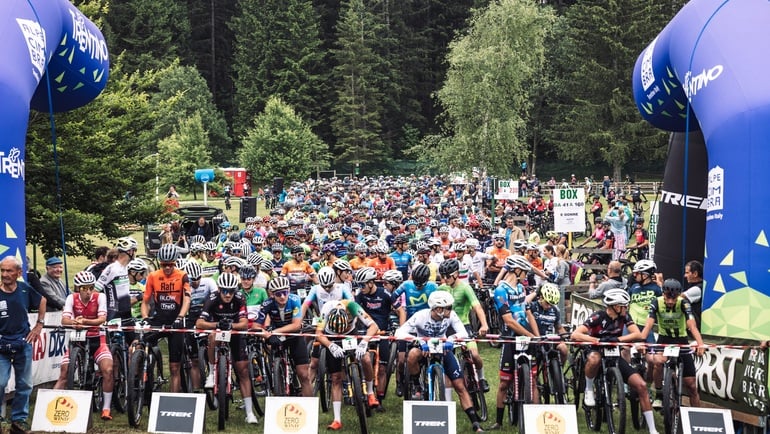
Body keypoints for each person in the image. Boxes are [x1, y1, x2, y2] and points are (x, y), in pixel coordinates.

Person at [570, 288, 659, 434]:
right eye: (625, 306)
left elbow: (637, 334)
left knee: (642, 386)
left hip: (614, 355)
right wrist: (596, 340)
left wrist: (618, 339)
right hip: (596, 351)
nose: (627, 308)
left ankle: (653, 429)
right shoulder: (598, 316)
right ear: (616, 307)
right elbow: (575, 334)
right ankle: (589, 389)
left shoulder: (625, 316)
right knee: (594, 359)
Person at [395, 291, 485, 433]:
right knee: (412, 355)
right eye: (448, 307)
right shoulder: (420, 316)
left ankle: (475, 423)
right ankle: (417, 385)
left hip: (443, 348)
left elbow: (463, 333)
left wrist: (451, 339)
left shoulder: (451, 316)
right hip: (424, 348)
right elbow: (399, 333)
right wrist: (419, 341)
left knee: (459, 385)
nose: (451, 309)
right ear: (438, 309)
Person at [197, 272, 259, 424]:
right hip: (217, 330)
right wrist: (216, 324)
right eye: (224, 291)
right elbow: (199, 323)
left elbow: (244, 323)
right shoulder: (212, 298)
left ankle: (250, 412)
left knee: (243, 371)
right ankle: (212, 373)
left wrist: (231, 325)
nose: (228, 294)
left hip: (235, 332)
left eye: (231, 291)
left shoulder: (239, 298)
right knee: (212, 337)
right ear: (219, 289)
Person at [315, 297, 380, 430]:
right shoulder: (326, 308)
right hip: (332, 337)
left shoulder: (353, 306)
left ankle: (369, 393)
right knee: (335, 378)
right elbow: (318, 333)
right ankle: (337, 419)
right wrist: (330, 345)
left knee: (366, 359)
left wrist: (364, 341)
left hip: (350, 334)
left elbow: (374, 326)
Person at [640, 278, 705, 409]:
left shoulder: (683, 303)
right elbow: (648, 325)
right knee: (658, 362)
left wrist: (700, 344)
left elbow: (692, 326)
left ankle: (696, 415)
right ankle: (659, 394)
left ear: (678, 296)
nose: (670, 301)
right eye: (667, 297)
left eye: (673, 298)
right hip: (664, 339)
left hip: (681, 340)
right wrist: (642, 341)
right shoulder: (656, 302)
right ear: (663, 293)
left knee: (691, 385)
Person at [0, 256, 47, 434]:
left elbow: (42, 301)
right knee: (0, 382)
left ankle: (18, 421)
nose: (5, 274)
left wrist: (39, 325)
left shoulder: (25, 289)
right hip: (1, 344)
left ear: (19, 272)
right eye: (2, 270)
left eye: (9, 271)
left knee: (25, 384)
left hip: (23, 342)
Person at [60, 271, 114, 420]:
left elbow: (102, 319)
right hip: (78, 340)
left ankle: (106, 408)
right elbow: (64, 320)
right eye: (84, 288)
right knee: (64, 372)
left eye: (91, 287)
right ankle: (51, 407)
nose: (88, 291)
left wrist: (84, 321)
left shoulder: (100, 297)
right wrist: (74, 323)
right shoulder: (71, 298)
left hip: (98, 339)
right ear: (78, 288)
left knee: (108, 370)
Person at [141, 244, 191, 393]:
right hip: (159, 319)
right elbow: (145, 301)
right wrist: (145, 317)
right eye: (164, 264)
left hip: (176, 321)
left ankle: (173, 398)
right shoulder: (153, 276)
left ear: (175, 262)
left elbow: (187, 299)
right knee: (141, 342)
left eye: (171, 264)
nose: (168, 267)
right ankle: (141, 379)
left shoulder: (182, 275)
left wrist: (180, 317)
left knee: (174, 367)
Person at [253, 277, 312, 396]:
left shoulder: (294, 300)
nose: (282, 296)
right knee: (271, 350)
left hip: (294, 336)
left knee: (303, 374)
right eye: (278, 294)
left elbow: (296, 325)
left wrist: (274, 332)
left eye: (285, 292)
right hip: (277, 337)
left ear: (289, 290)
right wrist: (264, 333)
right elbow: (256, 326)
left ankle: (309, 404)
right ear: (272, 294)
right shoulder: (267, 304)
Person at [437, 259, 489, 392]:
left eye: (447, 276)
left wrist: (484, 325)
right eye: (442, 276)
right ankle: (447, 400)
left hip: (464, 326)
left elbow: (477, 307)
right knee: (446, 365)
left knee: (475, 355)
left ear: (456, 274)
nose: (445, 279)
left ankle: (481, 378)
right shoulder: (442, 288)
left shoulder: (465, 288)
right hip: (447, 328)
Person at [682, 260, 704, 330]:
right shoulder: (693, 286)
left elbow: (675, 298)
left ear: (695, 274)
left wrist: (661, 285)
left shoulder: (698, 289)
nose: (685, 275)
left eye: (687, 273)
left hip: (694, 329)